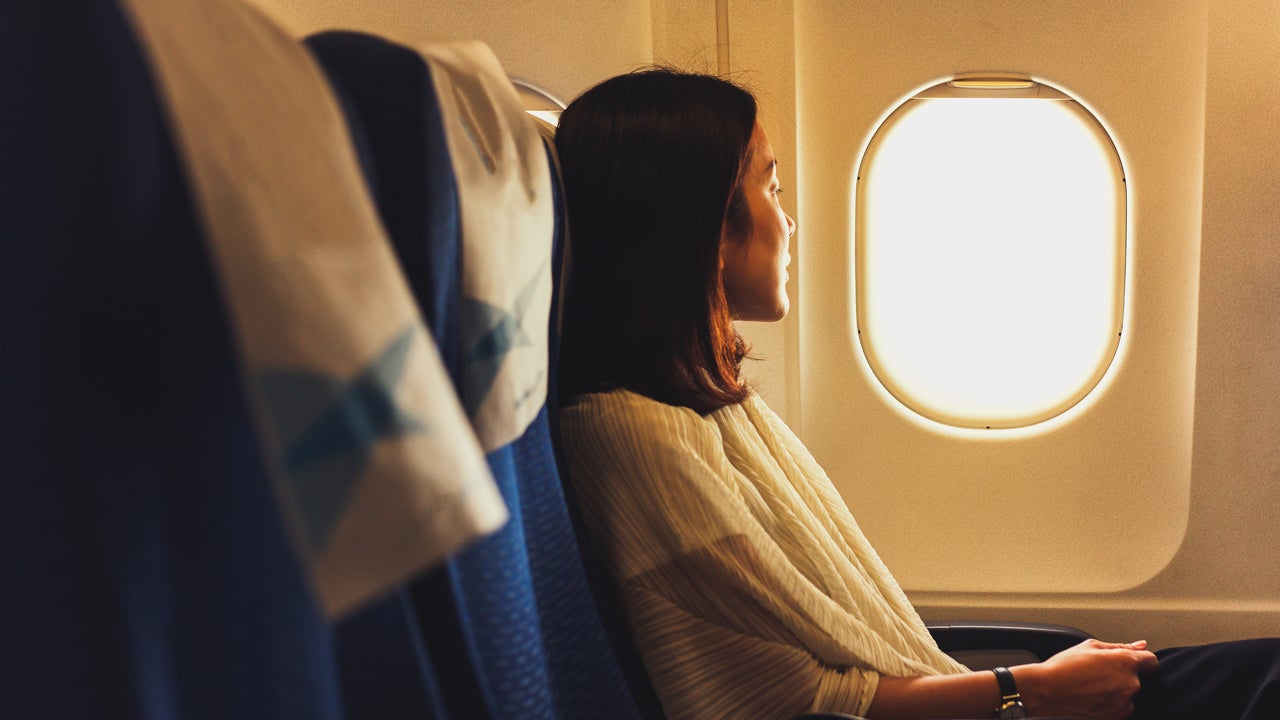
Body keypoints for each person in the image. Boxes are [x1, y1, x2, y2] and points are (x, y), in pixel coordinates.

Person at [553, 68, 1279, 720]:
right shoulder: (635, 438)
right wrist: (1030, 692)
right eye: (771, 188)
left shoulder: (700, 409)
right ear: (710, 229)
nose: (790, 218)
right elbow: (793, 700)